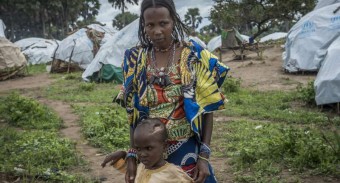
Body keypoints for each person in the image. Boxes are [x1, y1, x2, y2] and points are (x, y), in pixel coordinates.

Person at [115, 0, 229, 182]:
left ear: (173, 21)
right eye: (150, 25)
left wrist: (204, 156)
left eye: (163, 23)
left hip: (186, 151)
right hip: (150, 154)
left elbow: (208, 109)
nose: (157, 31)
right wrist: (132, 154)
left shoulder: (193, 55)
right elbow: (133, 116)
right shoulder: (135, 60)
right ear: (143, 25)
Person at [102, 118, 193, 183]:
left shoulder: (174, 173)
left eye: (148, 148)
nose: (142, 154)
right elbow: (126, 169)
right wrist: (121, 154)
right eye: (138, 149)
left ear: (164, 146)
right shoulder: (141, 167)